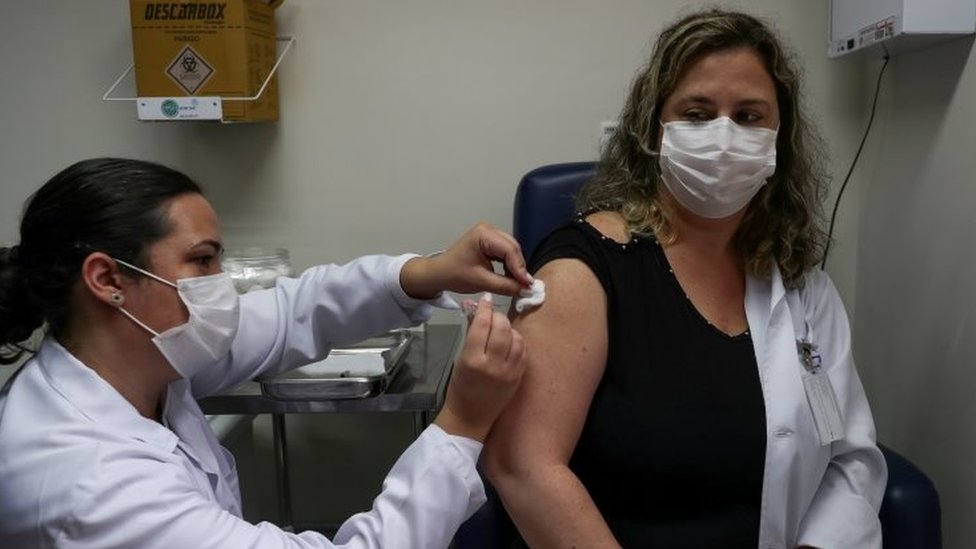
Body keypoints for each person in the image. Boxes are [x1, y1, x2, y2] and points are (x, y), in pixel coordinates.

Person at [482, 8, 887, 549]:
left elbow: (848, 457)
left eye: (748, 116)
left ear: (778, 138)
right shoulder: (585, 271)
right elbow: (522, 465)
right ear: (654, 131)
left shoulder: (801, 285)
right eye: (697, 114)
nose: (723, 137)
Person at [0, 157, 531, 548]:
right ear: (107, 278)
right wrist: (463, 421)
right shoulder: (89, 483)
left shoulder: (140, 364)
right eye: (202, 261)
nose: (221, 285)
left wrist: (424, 274)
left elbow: (290, 313)